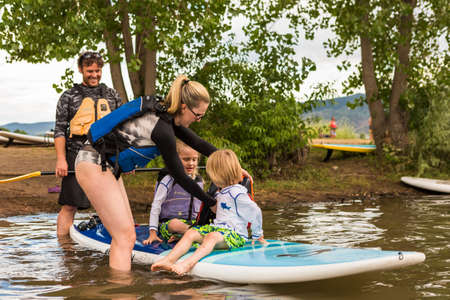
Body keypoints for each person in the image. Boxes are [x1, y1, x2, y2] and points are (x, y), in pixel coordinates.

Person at [75, 74, 251, 272]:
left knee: (127, 234)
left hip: (104, 166)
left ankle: (120, 287)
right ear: (184, 107)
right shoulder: (163, 129)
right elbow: (181, 177)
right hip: (93, 162)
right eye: (198, 115)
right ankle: (121, 290)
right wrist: (211, 203)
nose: (199, 120)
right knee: (124, 237)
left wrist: (233, 166)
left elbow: (198, 143)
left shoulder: (166, 116)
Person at [151, 149, 266, 276]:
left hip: (236, 235)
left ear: (221, 174)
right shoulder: (221, 192)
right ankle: (168, 260)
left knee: (211, 237)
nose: (211, 178)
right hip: (219, 230)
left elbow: (255, 212)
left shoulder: (238, 193)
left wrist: (257, 235)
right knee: (191, 233)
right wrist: (180, 236)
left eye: (212, 175)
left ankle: (187, 264)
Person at [54, 51, 122, 236]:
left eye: (98, 70)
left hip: (106, 154)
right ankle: (65, 248)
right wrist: (61, 160)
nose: (94, 75)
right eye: (90, 70)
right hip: (76, 153)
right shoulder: (68, 96)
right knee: (70, 205)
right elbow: (60, 130)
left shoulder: (112, 95)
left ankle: (110, 242)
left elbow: (122, 130)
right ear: (81, 69)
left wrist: (125, 159)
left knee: (111, 203)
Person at [143, 140, 203, 245]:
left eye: (194, 159)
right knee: (175, 224)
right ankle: (197, 236)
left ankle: (184, 235)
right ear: (175, 159)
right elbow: (156, 204)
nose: (191, 163)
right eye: (186, 159)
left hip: (193, 223)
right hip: (169, 224)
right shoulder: (168, 179)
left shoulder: (198, 180)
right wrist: (153, 232)